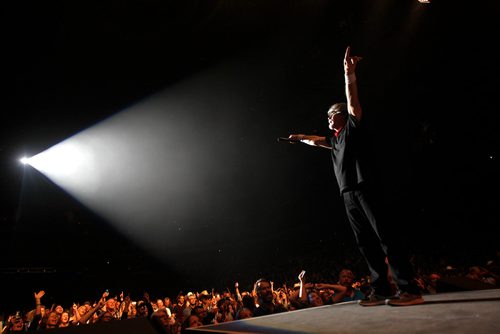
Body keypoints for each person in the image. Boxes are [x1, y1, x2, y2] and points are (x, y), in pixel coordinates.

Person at [288, 46, 423, 306]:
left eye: (331, 114)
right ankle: (382, 290)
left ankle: (409, 289)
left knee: (385, 236)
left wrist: (348, 73)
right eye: (327, 116)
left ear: (341, 114)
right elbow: (317, 142)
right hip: (348, 193)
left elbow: (353, 102)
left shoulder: (353, 127)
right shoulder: (335, 140)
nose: (328, 118)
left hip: (366, 187)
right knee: (366, 244)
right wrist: (300, 138)